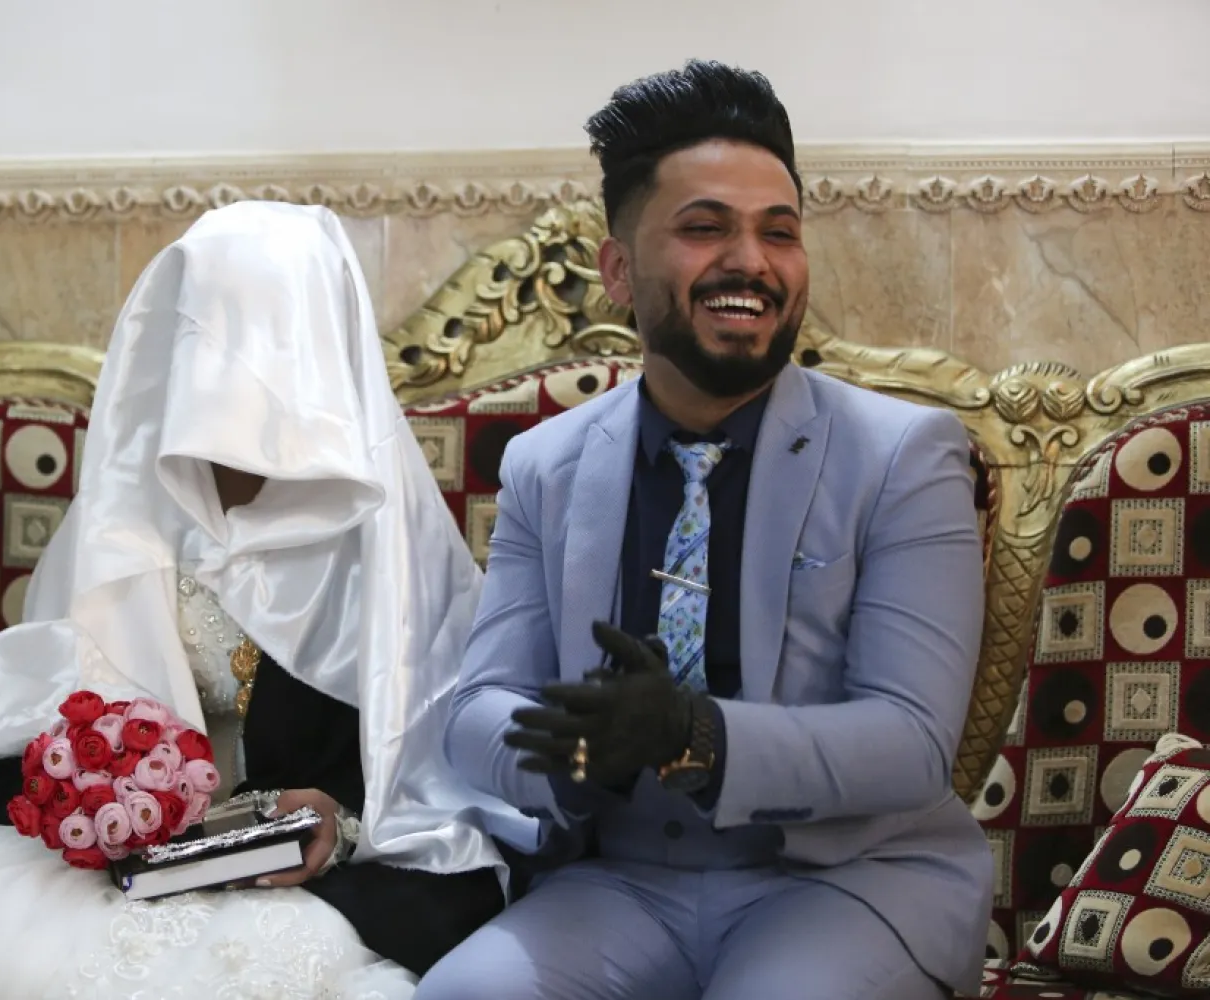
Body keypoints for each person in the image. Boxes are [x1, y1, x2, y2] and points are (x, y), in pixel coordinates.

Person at [0, 201, 518, 1000]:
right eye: (215, 325)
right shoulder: (133, 516)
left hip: (313, 881)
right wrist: (107, 802)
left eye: (268, 328)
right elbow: (44, 721)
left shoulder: (390, 542)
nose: (241, 363)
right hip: (137, 871)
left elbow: (439, 789)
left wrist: (334, 826)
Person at [415, 60, 991, 1000]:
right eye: (703, 227)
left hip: (845, 881)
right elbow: (475, 715)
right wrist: (574, 752)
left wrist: (700, 735)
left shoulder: (904, 452)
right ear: (617, 271)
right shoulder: (545, 466)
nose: (752, 262)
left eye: (780, 232)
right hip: (618, 880)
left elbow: (913, 739)